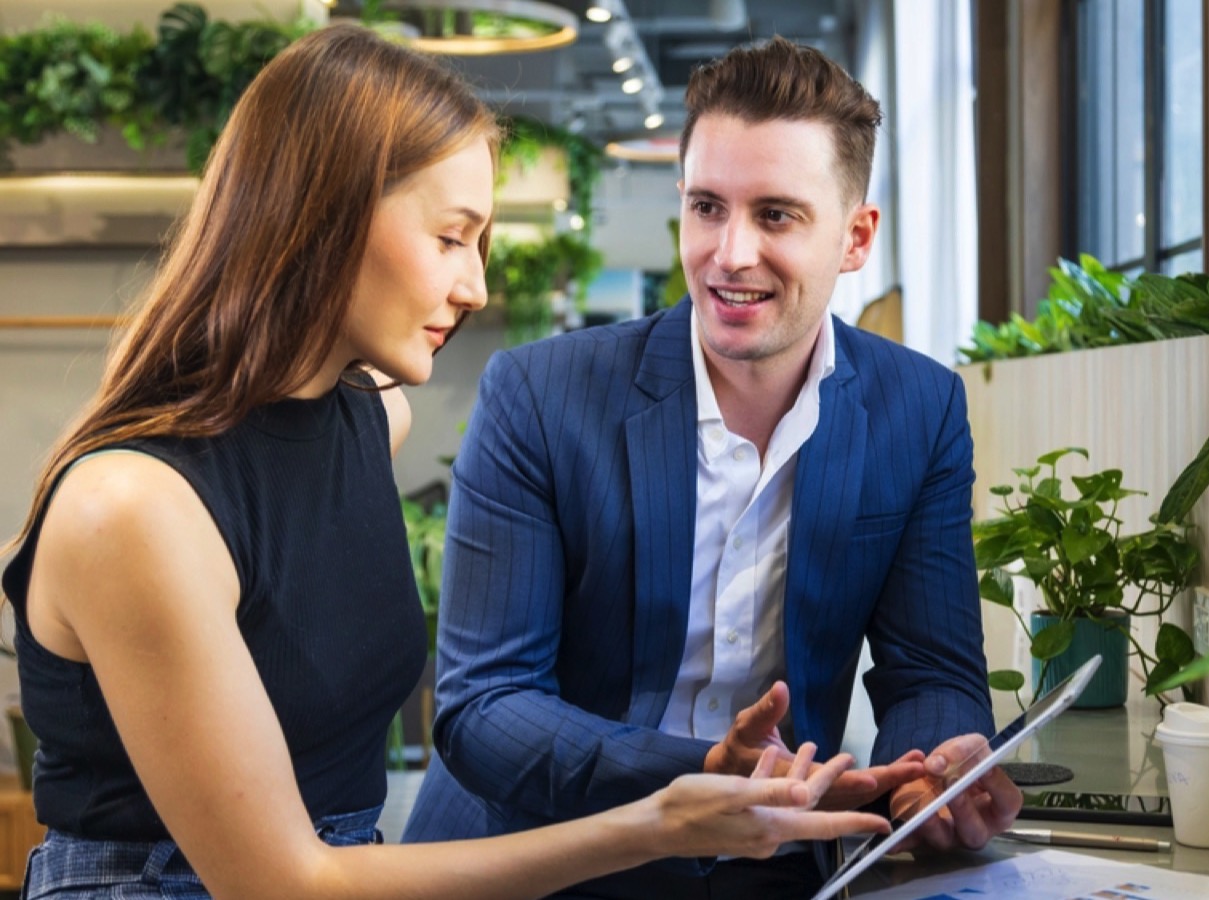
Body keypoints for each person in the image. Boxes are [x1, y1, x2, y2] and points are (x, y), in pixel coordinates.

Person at [0, 25, 891, 900]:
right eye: (450, 236)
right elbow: (283, 882)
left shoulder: (370, 418)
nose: (475, 285)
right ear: (324, 215)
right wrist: (655, 824)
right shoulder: (131, 507)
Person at [403, 36, 1021, 898]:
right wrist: (701, 769)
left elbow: (934, 674)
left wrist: (937, 765)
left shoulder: (918, 412)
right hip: (544, 858)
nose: (730, 253)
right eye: (706, 208)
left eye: (776, 214)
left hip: (773, 866)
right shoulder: (541, 396)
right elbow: (484, 707)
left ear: (855, 237)